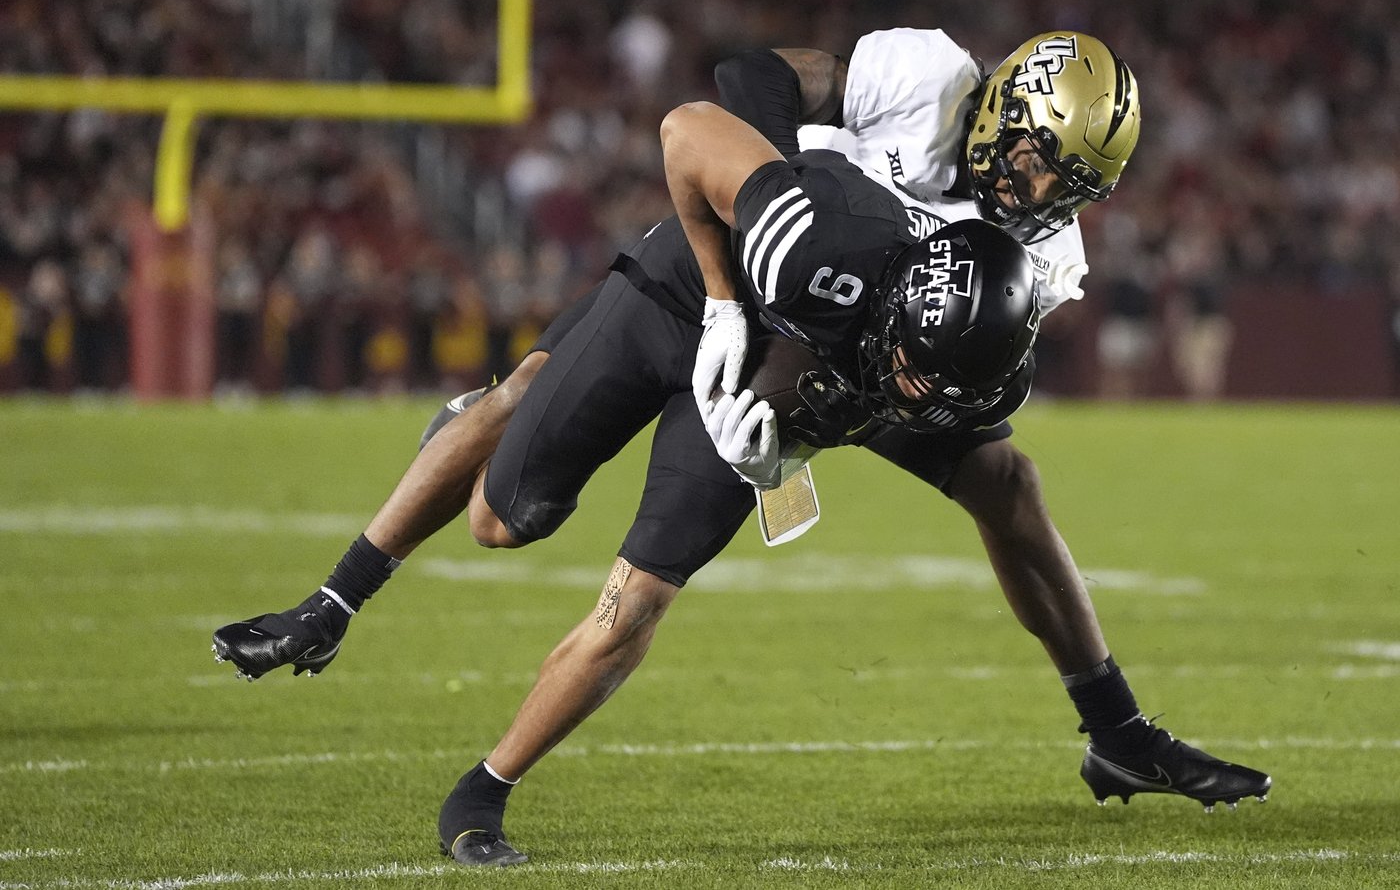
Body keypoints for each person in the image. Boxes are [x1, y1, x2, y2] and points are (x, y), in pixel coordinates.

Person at [418, 28, 1272, 816]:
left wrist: (807, 432)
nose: (1041, 192)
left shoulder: (1051, 251)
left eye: (1071, 186)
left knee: (1007, 480)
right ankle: (482, 442)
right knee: (559, 488)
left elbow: (979, 380)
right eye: (1037, 160)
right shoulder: (927, 78)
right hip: (774, 302)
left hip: (878, 367)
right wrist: (779, 209)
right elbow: (749, 78)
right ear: (1000, 111)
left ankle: (1117, 733)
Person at [215, 101, 1048, 866]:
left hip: (741, 390)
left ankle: (484, 789)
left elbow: (844, 397)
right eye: (910, 372)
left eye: (932, 389)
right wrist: (725, 298)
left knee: (640, 600)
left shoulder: (931, 369)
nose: (913, 395)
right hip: (677, 302)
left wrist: (779, 458)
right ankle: (336, 600)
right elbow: (686, 129)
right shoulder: (821, 243)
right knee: (500, 521)